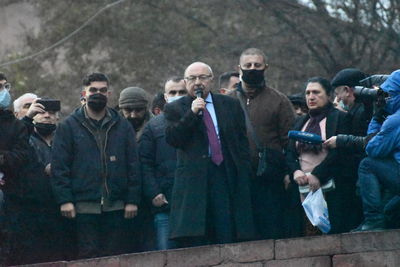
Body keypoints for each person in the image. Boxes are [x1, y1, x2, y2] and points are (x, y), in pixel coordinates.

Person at [164, 62, 255, 247]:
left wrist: (243, 170)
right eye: (192, 78)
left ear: (211, 80)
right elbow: (174, 139)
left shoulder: (230, 104)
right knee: (198, 239)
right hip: (195, 181)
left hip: (225, 175)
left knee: (227, 232)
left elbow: (241, 142)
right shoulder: (175, 108)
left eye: (203, 78)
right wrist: (192, 113)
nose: (198, 82)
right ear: (185, 81)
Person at [51, 72, 140, 259]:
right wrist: (64, 200)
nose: (97, 93)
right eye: (93, 90)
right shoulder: (68, 127)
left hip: (116, 206)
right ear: (84, 93)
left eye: (102, 90)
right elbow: (60, 167)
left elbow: (133, 165)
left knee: (116, 257)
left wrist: (132, 200)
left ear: (109, 93)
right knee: (88, 256)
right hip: (83, 207)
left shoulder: (123, 126)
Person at [234, 48, 295, 239]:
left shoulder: (280, 101)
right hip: (237, 179)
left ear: (265, 67)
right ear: (239, 68)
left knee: (271, 230)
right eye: (248, 65)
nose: (252, 69)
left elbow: (289, 141)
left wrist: (289, 171)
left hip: (269, 179)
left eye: (257, 65)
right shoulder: (226, 100)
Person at [286, 77, 353, 235]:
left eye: (316, 92)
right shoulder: (301, 122)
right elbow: (290, 152)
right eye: (308, 93)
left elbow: (341, 152)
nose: (311, 97)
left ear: (328, 95)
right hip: (303, 187)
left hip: (332, 186)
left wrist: (318, 174)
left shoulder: (340, 118)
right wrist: (295, 171)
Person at [140, 76, 186, 250]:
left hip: (194, 204)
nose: (177, 95)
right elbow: (145, 163)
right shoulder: (153, 127)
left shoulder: (200, 120)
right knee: (165, 254)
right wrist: (154, 193)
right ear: (166, 96)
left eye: (181, 92)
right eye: (173, 92)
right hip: (165, 204)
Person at [353, 69, 400, 231]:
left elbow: (372, 149)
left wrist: (377, 116)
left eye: (387, 96)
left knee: (367, 164)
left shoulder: (395, 121)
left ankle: (373, 220)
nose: (383, 100)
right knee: (390, 211)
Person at [0, 72, 30, 265]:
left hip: (10, 201)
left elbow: (22, 156)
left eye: (5, 87)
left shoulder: (15, 126)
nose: (3, 92)